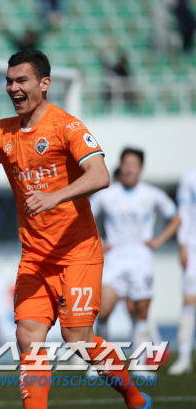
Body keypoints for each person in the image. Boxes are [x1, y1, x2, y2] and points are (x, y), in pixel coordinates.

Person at [0, 49, 152, 409]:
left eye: (22, 81)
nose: (13, 88)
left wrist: (54, 196)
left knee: (77, 337)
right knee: (27, 335)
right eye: (9, 81)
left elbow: (100, 174)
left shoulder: (66, 126)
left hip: (78, 252)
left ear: (44, 84)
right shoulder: (2, 132)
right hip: (35, 258)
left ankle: (133, 396)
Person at [90, 148, 180, 369]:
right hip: (115, 262)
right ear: (121, 167)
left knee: (141, 313)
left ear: (141, 168)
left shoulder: (152, 194)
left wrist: (159, 241)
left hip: (142, 262)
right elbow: (82, 218)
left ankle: (140, 364)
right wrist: (100, 242)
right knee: (102, 311)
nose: (129, 168)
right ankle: (100, 362)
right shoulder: (106, 195)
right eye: (125, 164)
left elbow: (177, 217)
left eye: (133, 164)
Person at [169, 165, 196, 375]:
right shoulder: (190, 176)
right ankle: (185, 357)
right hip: (194, 247)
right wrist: (182, 245)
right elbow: (184, 213)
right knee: (190, 300)